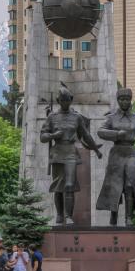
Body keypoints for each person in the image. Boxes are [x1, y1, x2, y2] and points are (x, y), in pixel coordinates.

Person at [40, 87, 103, 224]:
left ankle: (68, 216)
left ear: (71, 100)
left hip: (70, 152)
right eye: (62, 100)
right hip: (57, 152)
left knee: (69, 184)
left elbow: (86, 135)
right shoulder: (52, 117)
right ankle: (59, 215)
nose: (64, 103)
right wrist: (52, 135)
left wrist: (96, 150)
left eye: (67, 100)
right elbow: (43, 136)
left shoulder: (77, 117)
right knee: (58, 186)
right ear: (58, 101)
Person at [95, 88, 135, 226]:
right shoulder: (111, 117)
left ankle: (128, 217)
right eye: (121, 99)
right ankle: (113, 216)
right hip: (116, 153)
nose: (124, 102)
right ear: (118, 101)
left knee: (131, 183)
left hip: (131, 152)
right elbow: (100, 131)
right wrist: (116, 135)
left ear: (130, 100)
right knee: (115, 186)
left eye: (127, 99)